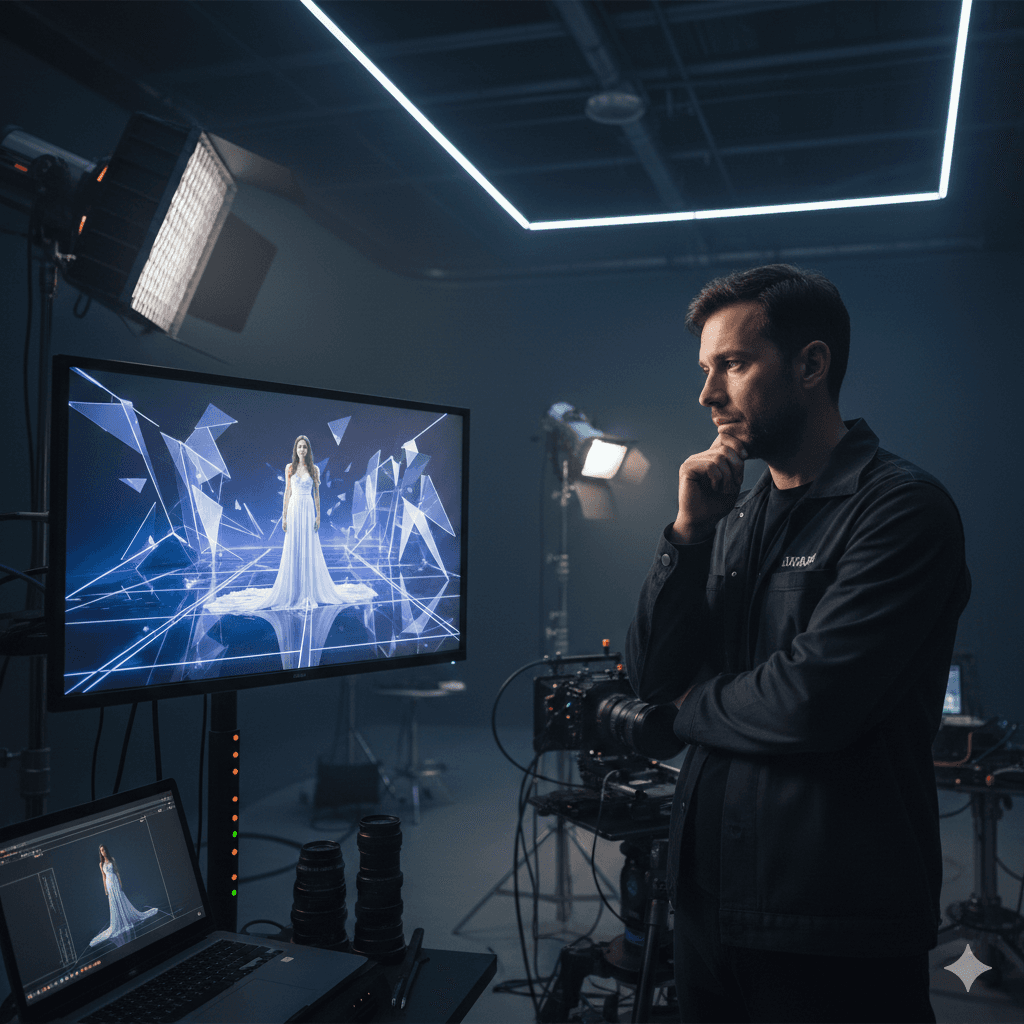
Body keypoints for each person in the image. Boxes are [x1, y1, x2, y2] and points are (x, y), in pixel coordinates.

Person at [624, 265, 970, 1023]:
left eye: (735, 365)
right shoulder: (734, 516)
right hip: (709, 907)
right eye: (707, 370)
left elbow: (810, 703)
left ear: (812, 365)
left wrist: (690, 705)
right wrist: (687, 536)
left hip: (830, 924)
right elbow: (654, 674)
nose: (709, 395)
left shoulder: (902, 510)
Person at [205, 435, 375, 613]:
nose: (302, 449)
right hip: (294, 508)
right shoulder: (290, 468)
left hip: (308, 508)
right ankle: (293, 590)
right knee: (294, 547)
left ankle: (308, 589)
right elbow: (287, 492)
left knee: (308, 547)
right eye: (299, 446)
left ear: (308, 450)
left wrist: (318, 517)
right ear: (295, 449)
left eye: (305, 447)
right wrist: (284, 516)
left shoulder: (314, 469)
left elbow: (316, 494)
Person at [89, 844, 159, 948]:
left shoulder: (112, 859)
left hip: (115, 881)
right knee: (114, 904)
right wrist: (105, 890)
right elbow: (103, 877)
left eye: (104, 850)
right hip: (109, 884)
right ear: (100, 853)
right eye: (101, 851)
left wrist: (120, 883)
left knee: (121, 900)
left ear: (106, 850)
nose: (103, 852)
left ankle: (127, 920)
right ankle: (119, 923)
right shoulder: (101, 864)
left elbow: (117, 872)